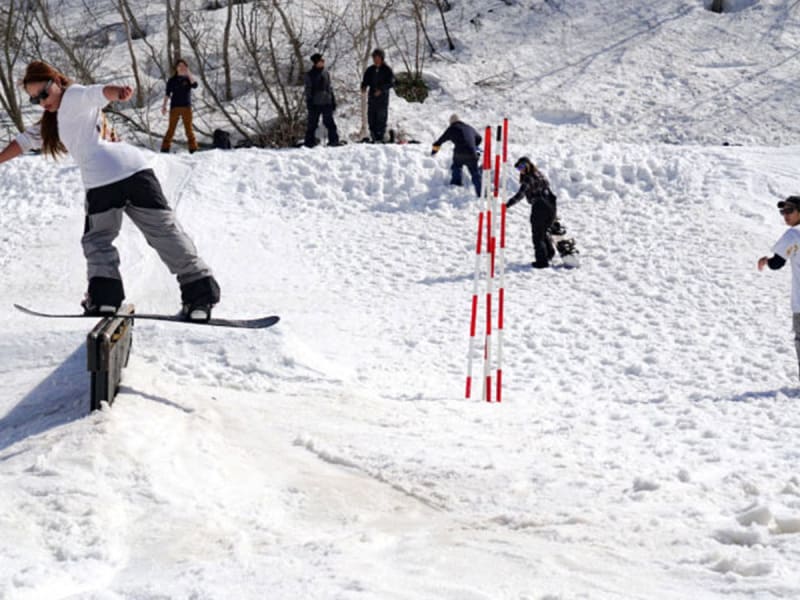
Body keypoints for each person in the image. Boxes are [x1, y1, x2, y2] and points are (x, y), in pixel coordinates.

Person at [0, 61, 220, 320]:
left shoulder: (74, 94)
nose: (42, 102)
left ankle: (105, 298)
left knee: (98, 240)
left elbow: (99, 92)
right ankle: (200, 297)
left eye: (44, 94)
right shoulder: (54, 120)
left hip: (102, 180)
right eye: (35, 99)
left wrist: (118, 92)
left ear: (57, 82)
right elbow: (24, 142)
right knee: (165, 233)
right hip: (138, 171)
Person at [758, 195, 800, 379]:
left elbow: (777, 263)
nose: (785, 215)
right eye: (783, 211)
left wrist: (766, 260)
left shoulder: (794, 234)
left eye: (790, 210)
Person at [506, 157, 558, 269]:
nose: (521, 170)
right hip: (551, 205)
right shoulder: (539, 173)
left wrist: (507, 205)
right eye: (519, 168)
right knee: (543, 231)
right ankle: (549, 253)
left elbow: (520, 194)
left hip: (540, 207)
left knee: (537, 235)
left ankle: (542, 262)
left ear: (528, 165)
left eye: (522, 167)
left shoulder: (528, 178)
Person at [431, 114, 483, 196]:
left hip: (459, 154)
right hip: (472, 154)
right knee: (475, 173)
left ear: (451, 122)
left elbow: (439, 141)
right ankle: (481, 193)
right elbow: (479, 138)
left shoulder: (451, 128)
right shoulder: (469, 127)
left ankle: (456, 184)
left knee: (456, 166)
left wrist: (433, 152)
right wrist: (473, 145)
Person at [160, 59, 199, 154]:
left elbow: (195, 85)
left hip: (186, 107)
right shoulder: (172, 80)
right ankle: (165, 149)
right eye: (179, 66)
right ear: (176, 68)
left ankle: (193, 149)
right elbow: (167, 94)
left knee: (189, 129)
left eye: (183, 66)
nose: (181, 68)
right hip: (175, 107)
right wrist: (164, 106)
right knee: (171, 129)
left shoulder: (188, 79)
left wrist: (188, 72)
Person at [303, 53, 340, 148]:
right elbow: (308, 89)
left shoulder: (326, 73)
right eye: (321, 61)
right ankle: (309, 142)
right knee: (312, 124)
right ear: (316, 62)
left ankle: (334, 141)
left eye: (323, 61)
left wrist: (333, 100)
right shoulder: (310, 75)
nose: (323, 62)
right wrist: (309, 102)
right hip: (315, 103)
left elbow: (329, 88)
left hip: (327, 102)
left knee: (330, 123)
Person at [360, 49, 394, 143]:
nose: (376, 60)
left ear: (382, 58)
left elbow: (391, 83)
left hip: (382, 99)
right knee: (371, 118)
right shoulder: (370, 69)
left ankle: (380, 137)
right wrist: (363, 86)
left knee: (381, 118)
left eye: (378, 58)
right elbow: (365, 80)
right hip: (372, 98)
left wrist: (381, 90)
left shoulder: (387, 69)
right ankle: (373, 137)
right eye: (374, 58)